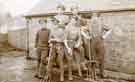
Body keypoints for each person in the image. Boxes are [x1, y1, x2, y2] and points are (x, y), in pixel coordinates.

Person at [44, 4, 69, 82]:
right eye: (53, 22)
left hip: (60, 46)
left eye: (55, 22)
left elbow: (63, 39)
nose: (54, 23)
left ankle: (62, 76)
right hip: (53, 46)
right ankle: (48, 75)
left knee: (60, 60)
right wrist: (51, 42)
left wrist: (57, 40)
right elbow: (49, 39)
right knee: (50, 60)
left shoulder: (62, 30)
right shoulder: (52, 30)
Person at [89, 12, 112, 78]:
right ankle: (93, 73)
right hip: (92, 42)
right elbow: (82, 30)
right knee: (93, 58)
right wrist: (87, 36)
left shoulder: (101, 24)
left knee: (101, 58)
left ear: (98, 17)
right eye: (93, 17)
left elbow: (109, 29)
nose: (94, 18)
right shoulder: (90, 25)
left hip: (100, 42)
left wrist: (104, 36)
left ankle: (102, 73)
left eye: (95, 17)